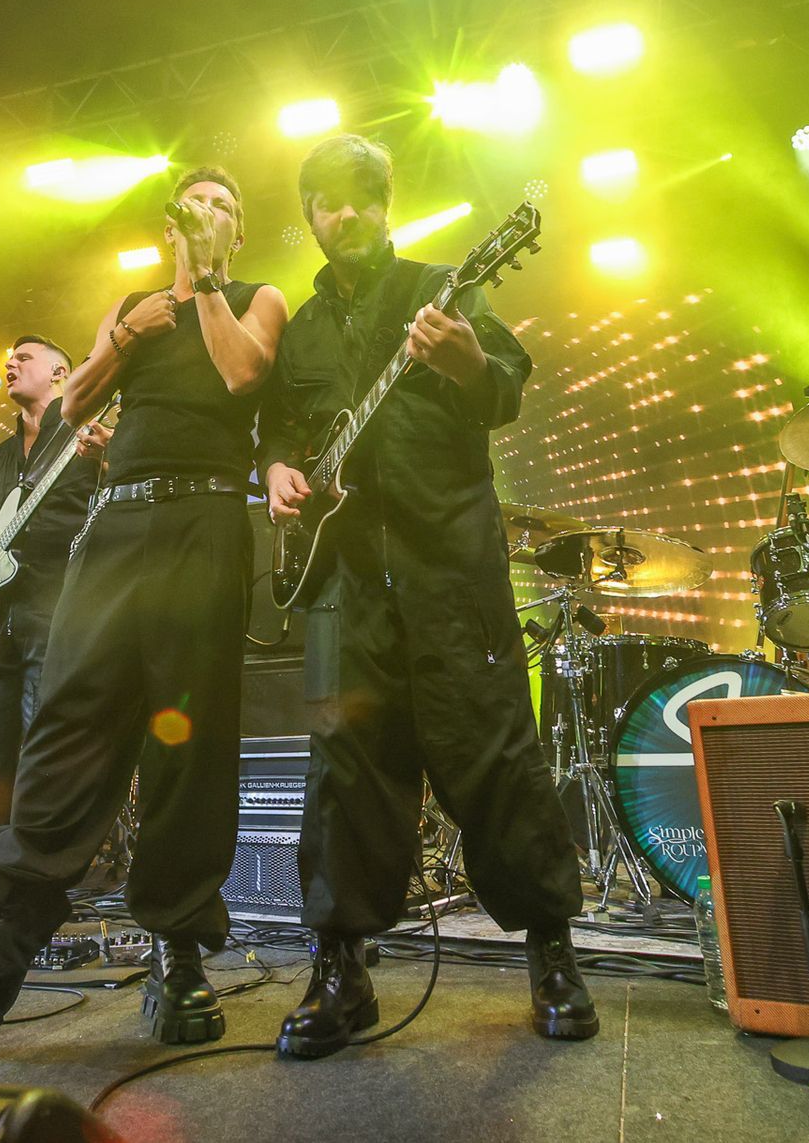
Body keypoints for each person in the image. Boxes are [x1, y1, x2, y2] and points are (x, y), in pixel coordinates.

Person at [0, 166, 289, 1056]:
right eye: (196, 204)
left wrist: (206, 283)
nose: (208, 215)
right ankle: (0, 946)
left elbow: (246, 375)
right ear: (171, 221)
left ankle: (178, 954)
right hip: (117, 522)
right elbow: (76, 404)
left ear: (235, 235)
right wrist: (122, 336)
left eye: (225, 209)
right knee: (67, 719)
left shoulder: (256, 294)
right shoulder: (130, 307)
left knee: (185, 740)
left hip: (203, 519)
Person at [258, 133, 596, 1058]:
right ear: (312, 218)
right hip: (340, 591)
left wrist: (465, 365)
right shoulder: (302, 330)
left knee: (495, 754)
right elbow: (279, 430)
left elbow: (505, 389)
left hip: (452, 574)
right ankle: (341, 971)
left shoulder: (446, 287)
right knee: (341, 775)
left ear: (387, 201)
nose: (347, 212)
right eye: (328, 200)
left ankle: (552, 954)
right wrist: (282, 469)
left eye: (363, 195)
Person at [0, 335, 109, 913]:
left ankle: (27, 893)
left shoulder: (89, 428)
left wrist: (109, 458)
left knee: (42, 751)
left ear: (61, 372)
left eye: (24, 357)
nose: (9, 363)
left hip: (59, 606)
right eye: (9, 358)